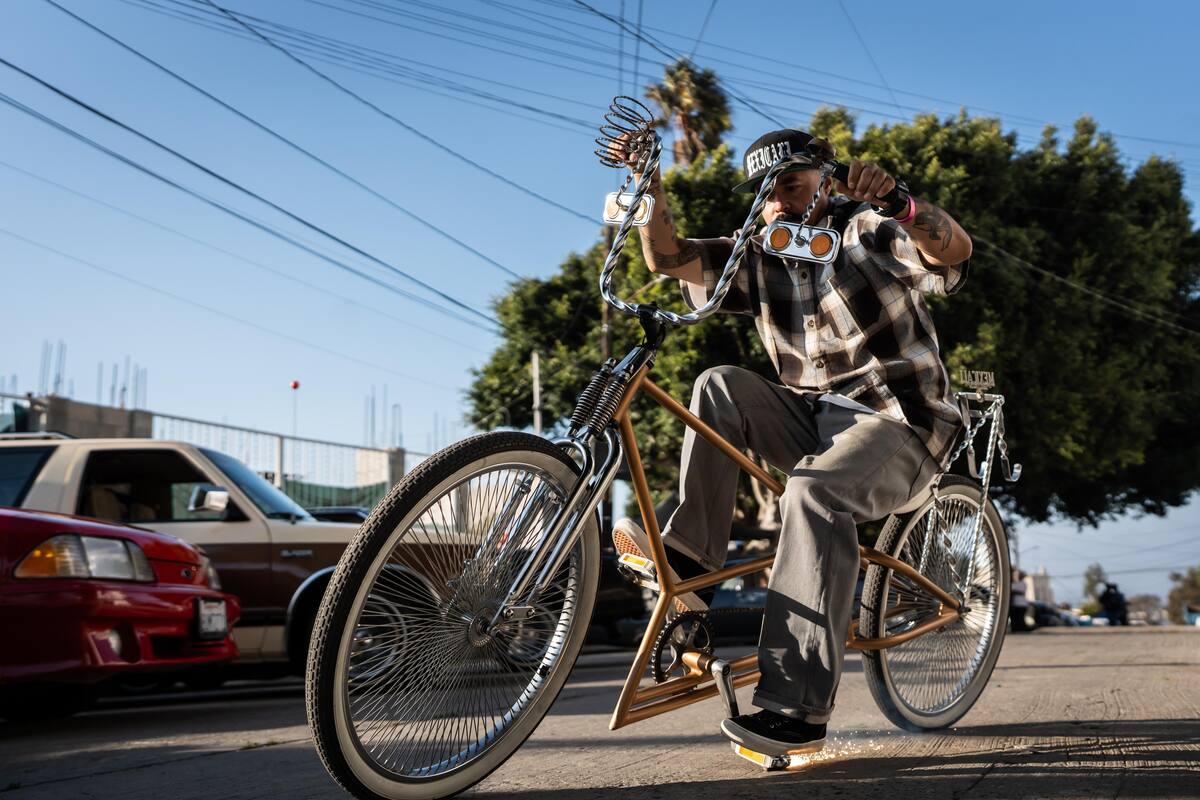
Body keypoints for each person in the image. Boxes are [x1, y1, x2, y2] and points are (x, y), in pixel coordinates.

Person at [608, 128, 973, 757]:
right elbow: (670, 259)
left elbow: (953, 252)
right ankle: (691, 565)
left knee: (810, 493)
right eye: (766, 193)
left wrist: (900, 204)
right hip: (811, 418)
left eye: (791, 186)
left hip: (899, 424)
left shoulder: (867, 229)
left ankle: (796, 708)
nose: (777, 201)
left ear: (825, 183)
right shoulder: (761, 251)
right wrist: (651, 184)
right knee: (718, 385)